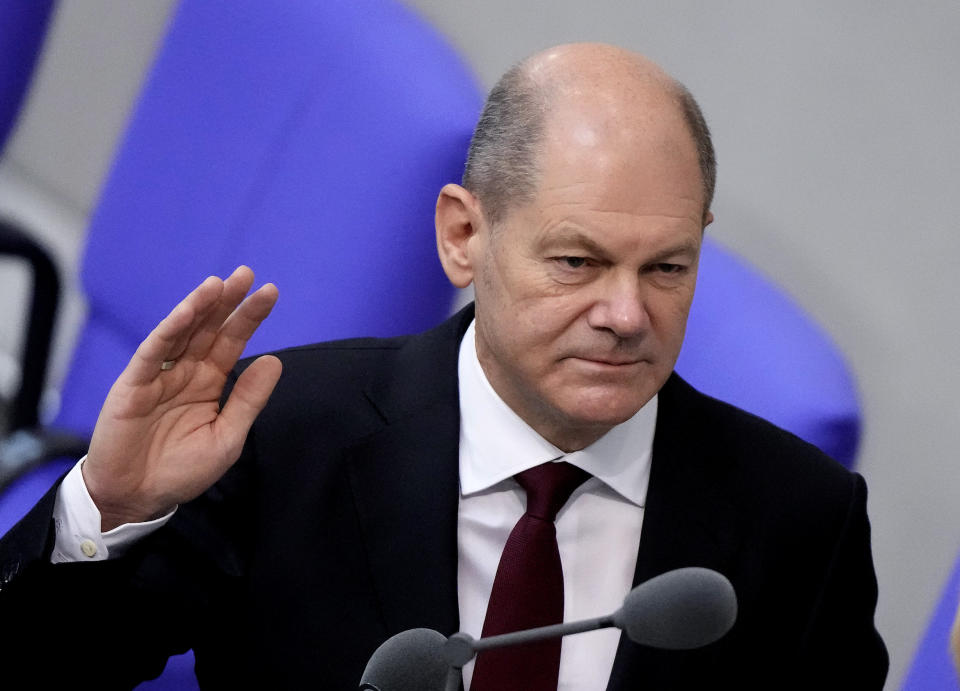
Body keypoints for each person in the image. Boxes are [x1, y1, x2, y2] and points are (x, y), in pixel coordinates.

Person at [0, 43, 886, 689]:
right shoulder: (283, 433)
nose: (625, 315)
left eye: (667, 268)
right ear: (463, 235)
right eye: (577, 262)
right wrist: (107, 511)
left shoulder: (801, 521)